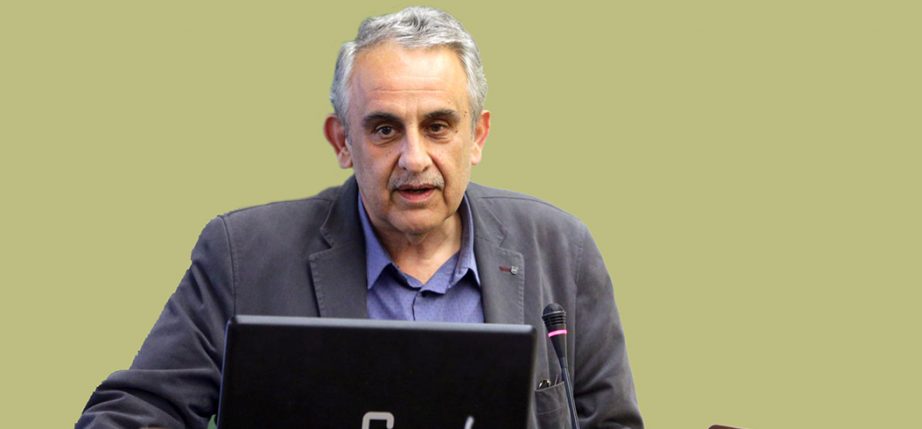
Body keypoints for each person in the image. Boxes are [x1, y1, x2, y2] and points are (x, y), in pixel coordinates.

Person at [77, 6, 642, 429]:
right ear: (342, 141)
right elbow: (129, 413)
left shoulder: (562, 250)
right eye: (385, 129)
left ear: (478, 136)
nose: (414, 158)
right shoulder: (243, 255)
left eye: (438, 126)